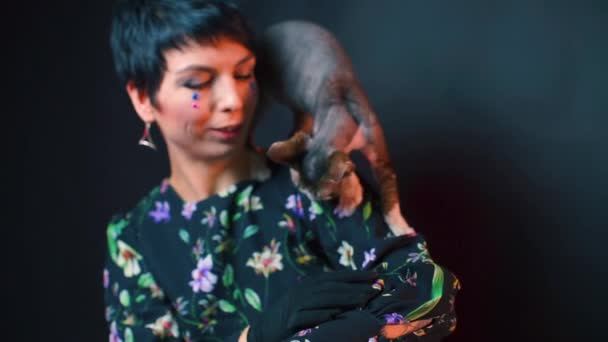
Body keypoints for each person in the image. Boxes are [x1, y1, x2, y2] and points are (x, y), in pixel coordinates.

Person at [104, 0, 460, 341]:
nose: (234, 100)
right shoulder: (134, 239)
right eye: (198, 82)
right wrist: (254, 336)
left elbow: (426, 294)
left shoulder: (313, 181)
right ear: (142, 98)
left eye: (244, 74)